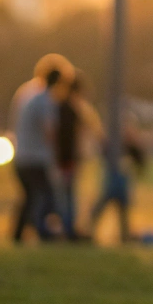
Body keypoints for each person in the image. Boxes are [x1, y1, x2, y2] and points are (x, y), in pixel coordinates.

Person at [10, 59, 67, 243]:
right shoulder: (45, 100)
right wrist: (57, 155)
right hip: (35, 159)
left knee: (29, 198)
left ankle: (18, 235)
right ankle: (44, 234)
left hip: (22, 156)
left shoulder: (29, 95)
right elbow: (49, 131)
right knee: (47, 197)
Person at [53, 71, 104, 241]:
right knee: (67, 196)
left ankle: (68, 229)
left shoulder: (62, 106)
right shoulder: (70, 108)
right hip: (68, 159)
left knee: (67, 195)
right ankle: (69, 231)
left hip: (68, 158)